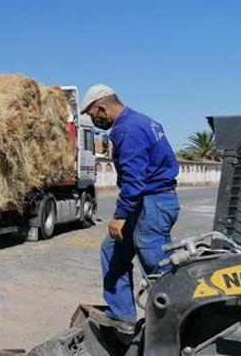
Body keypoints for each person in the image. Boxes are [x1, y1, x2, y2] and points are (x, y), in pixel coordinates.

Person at [81, 85, 180, 334]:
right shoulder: (145, 122)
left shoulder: (128, 129)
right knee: (112, 249)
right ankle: (122, 316)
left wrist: (119, 215)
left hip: (151, 202)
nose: (94, 120)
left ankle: (175, 324)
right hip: (149, 201)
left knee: (156, 264)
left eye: (93, 115)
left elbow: (134, 180)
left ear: (101, 108)